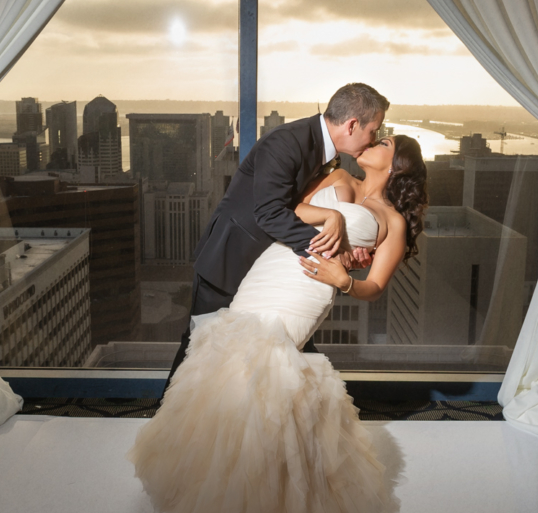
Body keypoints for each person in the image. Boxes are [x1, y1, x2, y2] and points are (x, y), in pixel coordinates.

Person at [128, 132, 430, 513]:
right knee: (230, 357)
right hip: (273, 267)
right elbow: (292, 211)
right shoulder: (341, 176)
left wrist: (343, 280)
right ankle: (214, 477)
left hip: (308, 288)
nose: (373, 140)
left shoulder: (392, 221)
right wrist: (336, 220)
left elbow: (376, 285)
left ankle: (263, 493)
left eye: (384, 141)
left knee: (269, 371)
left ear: (396, 164)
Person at [161, 83, 389, 400]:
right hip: (230, 260)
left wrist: (339, 236)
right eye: (374, 130)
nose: (374, 139)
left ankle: (273, 435)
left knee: (284, 353)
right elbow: (268, 212)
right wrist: (329, 247)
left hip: (267, 270)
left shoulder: (321, 150)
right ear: (352, 125)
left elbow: (294, 207)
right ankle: (170, 424)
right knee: (199, 346)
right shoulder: (287, 142)